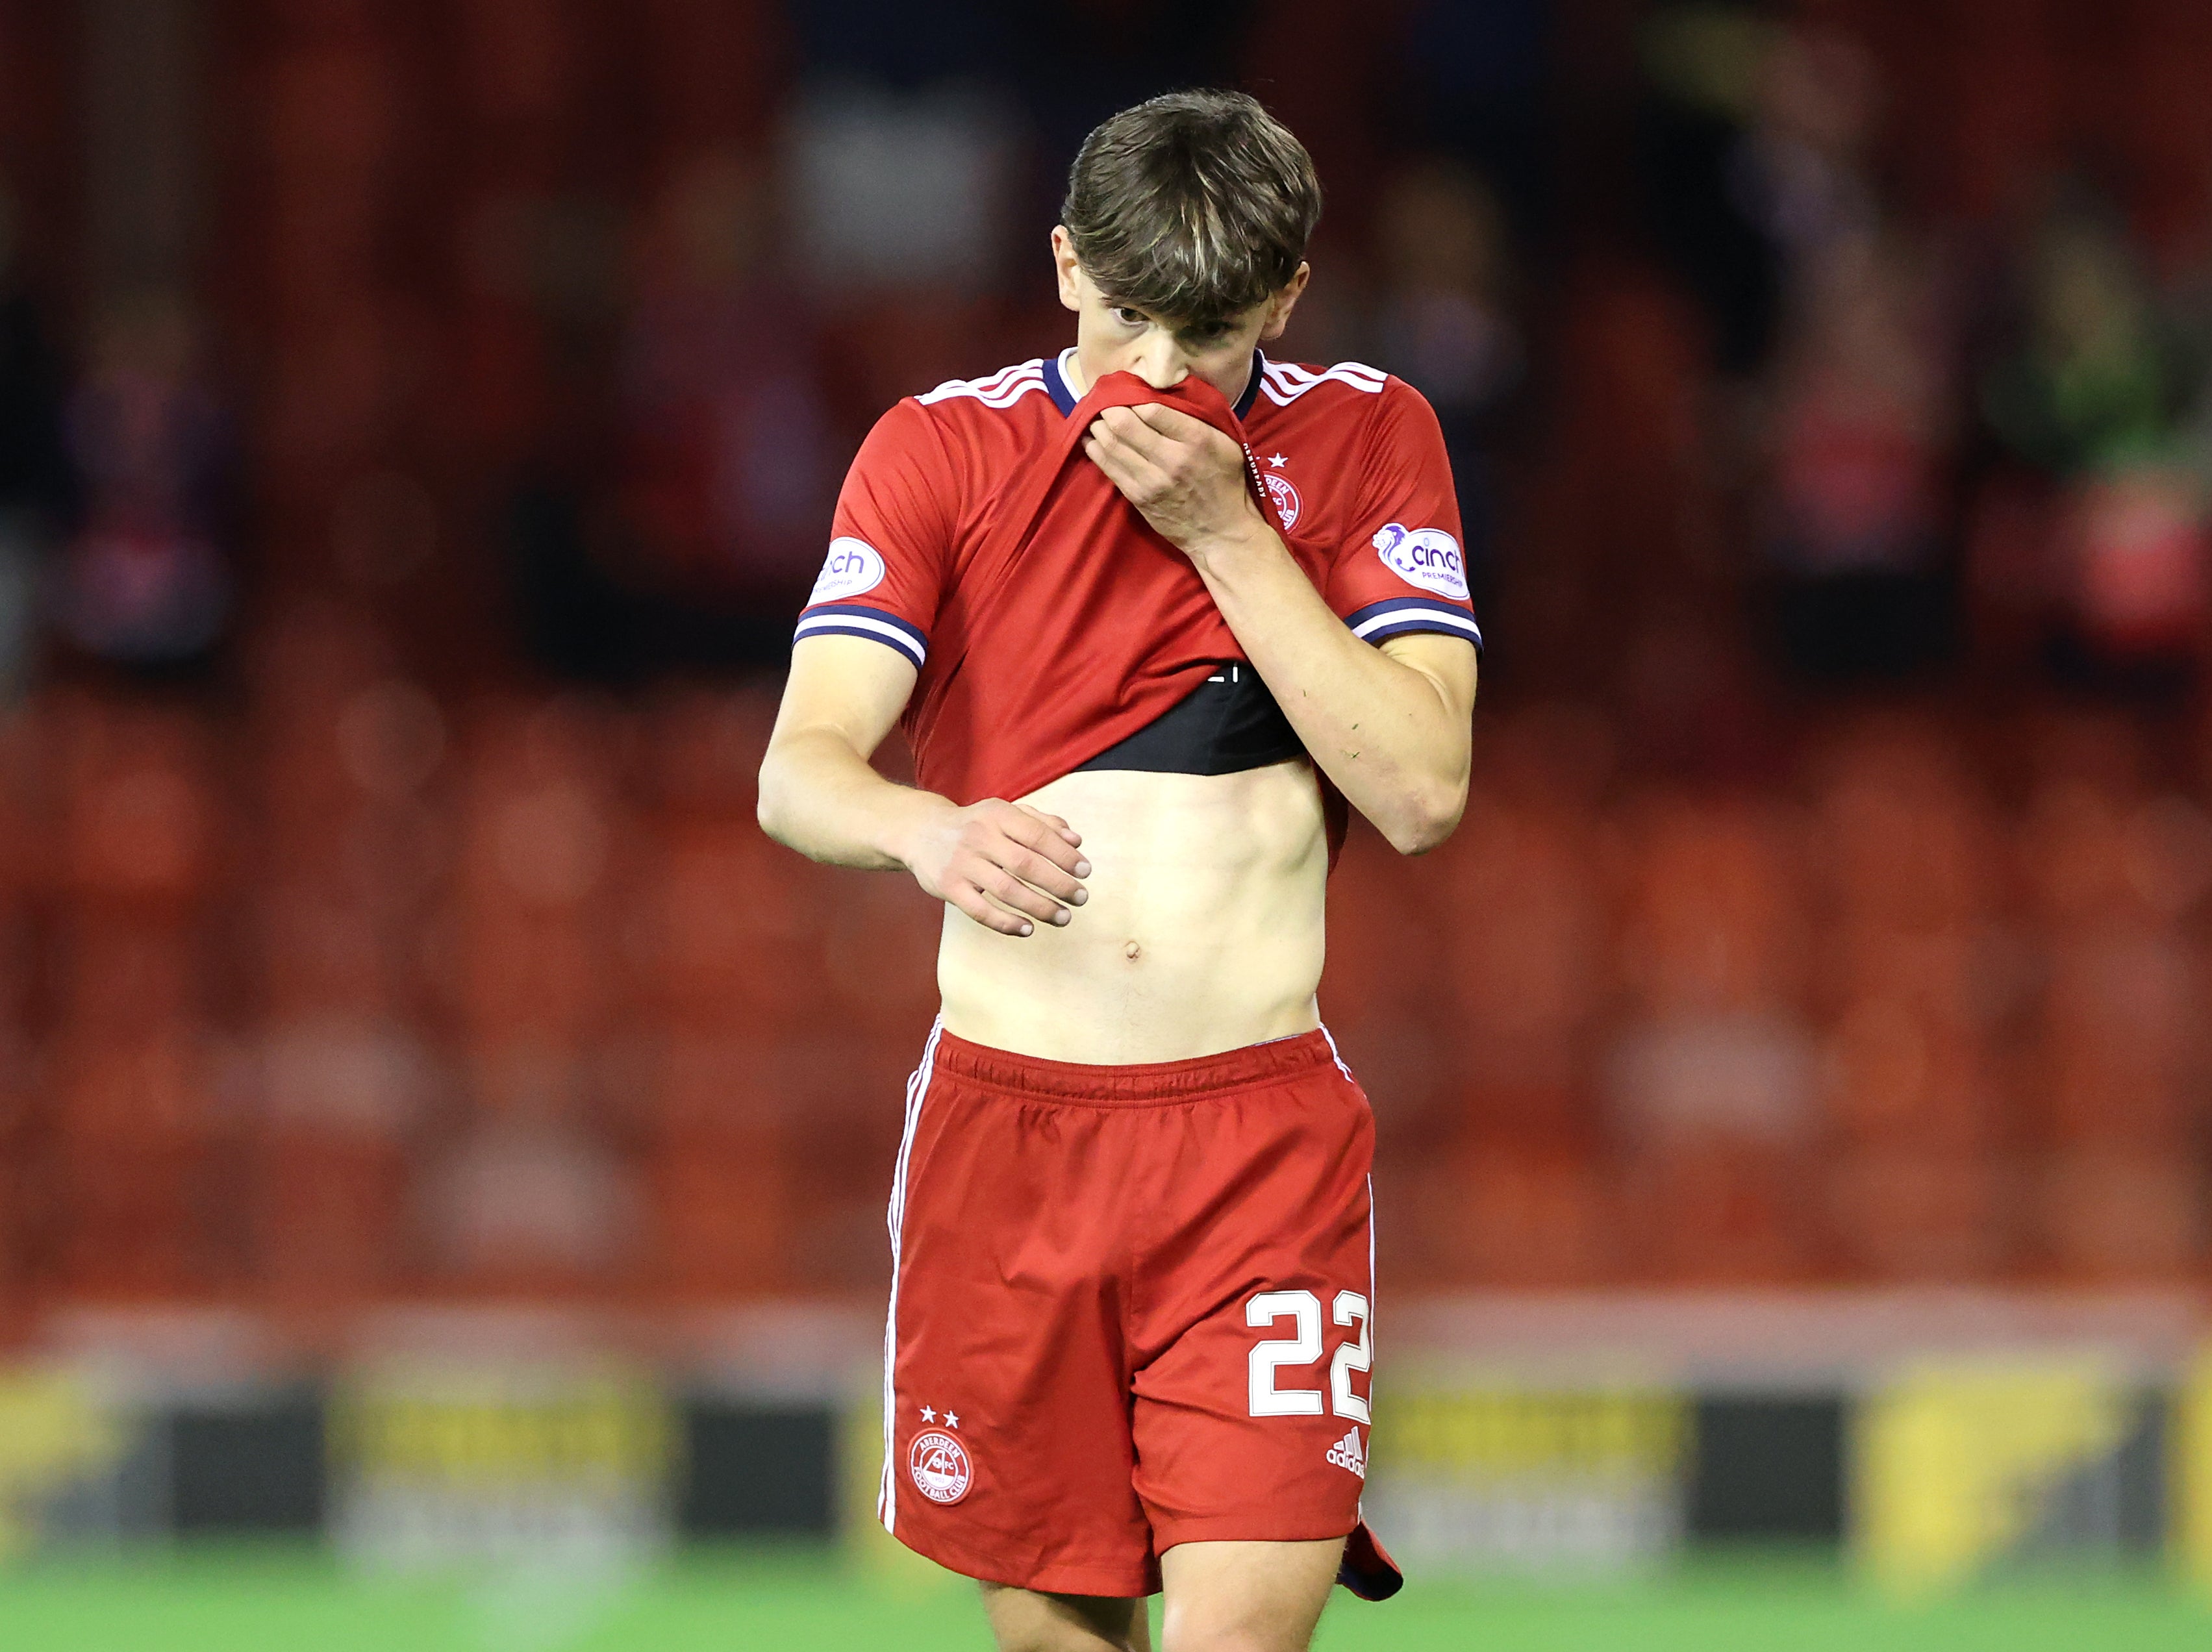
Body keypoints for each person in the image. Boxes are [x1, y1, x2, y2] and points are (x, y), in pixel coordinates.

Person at [758, 90, 1479, 1652]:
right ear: (1066, 264)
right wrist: (923, 829)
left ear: (1287, 299)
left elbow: (1421, 790)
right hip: (1007, 1141)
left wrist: (1228, 536)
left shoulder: (1365, 435)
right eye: (1128, 318)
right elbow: (797, 769)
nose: (1155, 377)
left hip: (1252, 1147)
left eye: (1208, 336)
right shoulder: (941, 450)